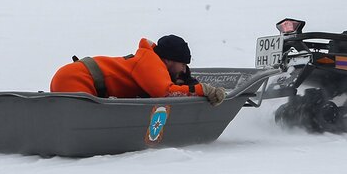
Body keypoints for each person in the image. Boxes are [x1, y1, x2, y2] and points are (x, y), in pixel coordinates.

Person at [50, 34, 226, 105]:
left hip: (71, 76)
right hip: (76, 79)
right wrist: (203, 90)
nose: (185, 69)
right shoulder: (150, 64)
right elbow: (165, 92)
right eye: (184, 64)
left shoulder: (151, 61)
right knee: (83, 124)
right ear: (171, 61)